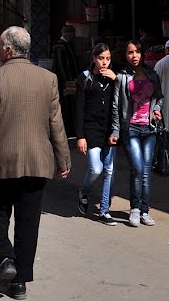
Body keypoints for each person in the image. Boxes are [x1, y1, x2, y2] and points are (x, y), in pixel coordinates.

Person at [0, 26, 70, 300]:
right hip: (37, 164)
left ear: (9, 50)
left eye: (1, 47)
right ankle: (19, 283)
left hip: (1, 164)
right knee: (28, 222)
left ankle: (4, 260)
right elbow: (56, 125)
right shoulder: (47, 79)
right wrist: (64, 160)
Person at [110, 39, 163, 227]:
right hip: (130, 127)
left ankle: (144, 211)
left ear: (142, 54)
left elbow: (159, 97)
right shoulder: (122, 77)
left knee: (147, 171)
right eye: (130, 52)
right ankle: (134, 208)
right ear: (125, 55)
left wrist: (156, 108)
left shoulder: (152, 75)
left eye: (137, 52)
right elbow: (116, 105)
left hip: (149, 128)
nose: (134, 56)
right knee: (138, 168)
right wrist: (116, 129)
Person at [74, 42, 118, 225]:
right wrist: (80, 136)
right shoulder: (85, 79)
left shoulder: (113, 79)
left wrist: (116, 80)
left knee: (109, 170)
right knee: (96, 168)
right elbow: (79, 109)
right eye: (101, 58)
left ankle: (104, 211)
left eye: (108, 59)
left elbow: (121, 102)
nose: (104, 63)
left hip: (108, 130)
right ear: (94, 59)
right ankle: (84, 192)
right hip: (90, 130)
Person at [51, 24, 79, 135]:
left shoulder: (66, 45)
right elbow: (60, 66)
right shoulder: (60, 47)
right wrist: (67, 80)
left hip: (68, 81)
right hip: (64, 82)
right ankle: (67, 130)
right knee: (66, 105)